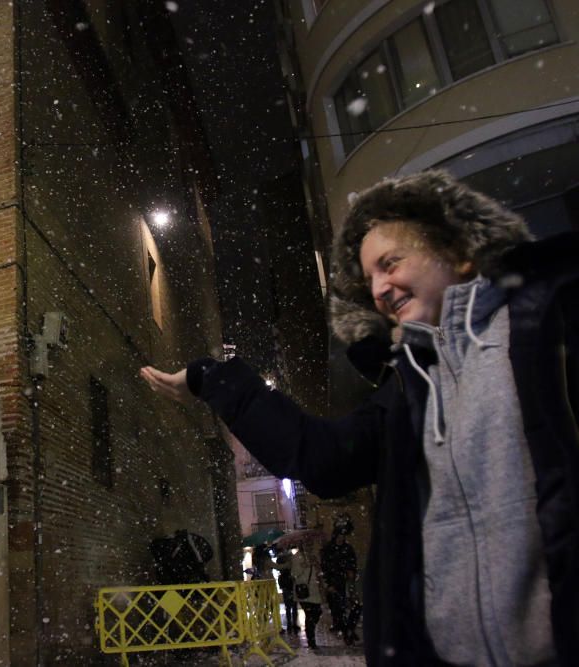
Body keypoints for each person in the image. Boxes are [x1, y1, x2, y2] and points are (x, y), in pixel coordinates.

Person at [140, 170, 579, 666]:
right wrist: (209, 379)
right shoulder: (408, 391)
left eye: (390, 264)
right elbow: (320, 458)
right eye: (370, 278)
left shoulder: (552, 325)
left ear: (458, 251)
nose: (380, 289)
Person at [320, 526, 358, 643]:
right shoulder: (329, 549)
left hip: (345, 581)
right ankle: (344, 629)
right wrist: (328, 583)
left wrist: (351, 572)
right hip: (335, 582)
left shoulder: (347, 548)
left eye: (343, 536)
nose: (341, 538)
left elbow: (352, 562)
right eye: (339, 536)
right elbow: (325, 567)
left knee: (349, 607)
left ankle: (347, 629)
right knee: (337, 607)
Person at [292, 544, 323, 651]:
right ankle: (311, 641)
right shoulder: (297, 556)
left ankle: (311, 636)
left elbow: (319, 571)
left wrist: (315, 563)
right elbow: (294, 573)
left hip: (314, 591)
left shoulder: (312, 556)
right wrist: (304, 565)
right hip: (304, 592)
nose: (309, 545)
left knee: (318, 612)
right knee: (310, 615)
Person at [273, 547, 300, 635]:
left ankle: (291, 624)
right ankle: (292, 624)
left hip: (287, 583)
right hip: (289, 583)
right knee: (292, 606)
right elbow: (281, 568)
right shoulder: (287, 558)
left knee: (290, 606)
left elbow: (279, 568)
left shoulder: (281, 558)